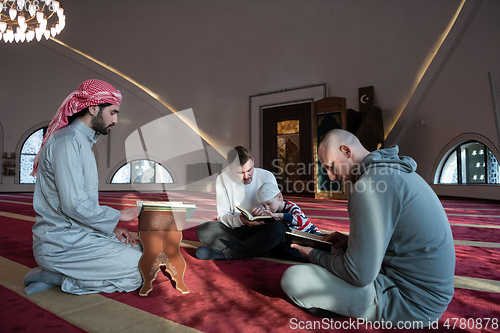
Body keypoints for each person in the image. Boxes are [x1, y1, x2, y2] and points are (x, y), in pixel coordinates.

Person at [281, 129, 455, 326]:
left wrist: (314, 255)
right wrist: (349, 242)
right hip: (423, 292)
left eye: (331, 166)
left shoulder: (369, 186)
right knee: (337, 251)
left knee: (294, 279)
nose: (330, 176)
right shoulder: (389, 170)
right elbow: (397, 239)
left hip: (410, 303)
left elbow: (359, 274)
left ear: (346, 151)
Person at [23, 79, 143, 295]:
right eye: (113, 112)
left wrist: (110, 229)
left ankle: (64, 275)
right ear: (94, 108)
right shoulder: (67, 142)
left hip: (79, 236)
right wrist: (118, 215)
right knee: (142, 269)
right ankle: (53, 276)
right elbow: (75, 206)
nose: (116, 120)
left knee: (139, 248)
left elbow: (79, 205)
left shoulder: (82, 141)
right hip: (61, 244)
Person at [196, 146, 292, 260]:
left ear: (253, 161)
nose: (246, 176)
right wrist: (240, 220)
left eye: (249, 170)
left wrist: (265, 213)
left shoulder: (267, 176)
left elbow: (279, 208)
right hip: (238, 228)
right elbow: (222, 215)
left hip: (264, 229)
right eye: (240, 173)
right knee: (203, 229)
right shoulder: (222, 179)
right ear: (230, 168)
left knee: (280, 229)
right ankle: (261, 249)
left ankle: (228, 254)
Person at [254, 182, 321, 235]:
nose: (267, 208)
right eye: (263, 205)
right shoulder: (274, 210)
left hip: (311, 233)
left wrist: (281, 215)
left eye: (269, 204)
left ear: (279, 196)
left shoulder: (291, 207)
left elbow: (301, 221)